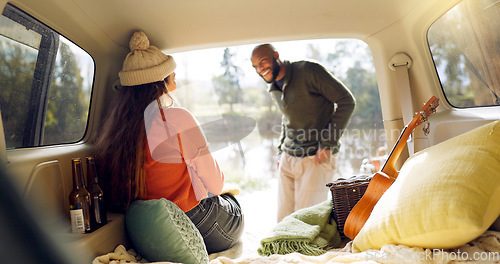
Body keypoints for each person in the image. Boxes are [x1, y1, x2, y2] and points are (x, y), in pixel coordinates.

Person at [95, 31, 243, 254]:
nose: (176, 77)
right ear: (160, 82)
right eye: (172, 72)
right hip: (194, 220)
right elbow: (216, 184)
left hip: (154, 224)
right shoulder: (175, 118)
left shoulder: (117, 130)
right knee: (235, 204)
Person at [251, 43, 355, 221]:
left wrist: (328, 144)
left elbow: (347, 101)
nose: (260, 69)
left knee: (307, 223)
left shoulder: (309, 71)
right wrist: (280, 152)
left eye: (263, 61)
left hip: (315, 157)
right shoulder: (273, 85)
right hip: (287, 158)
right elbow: (288, 117)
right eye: (255, 66)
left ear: (276, 55)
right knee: (283, 221)